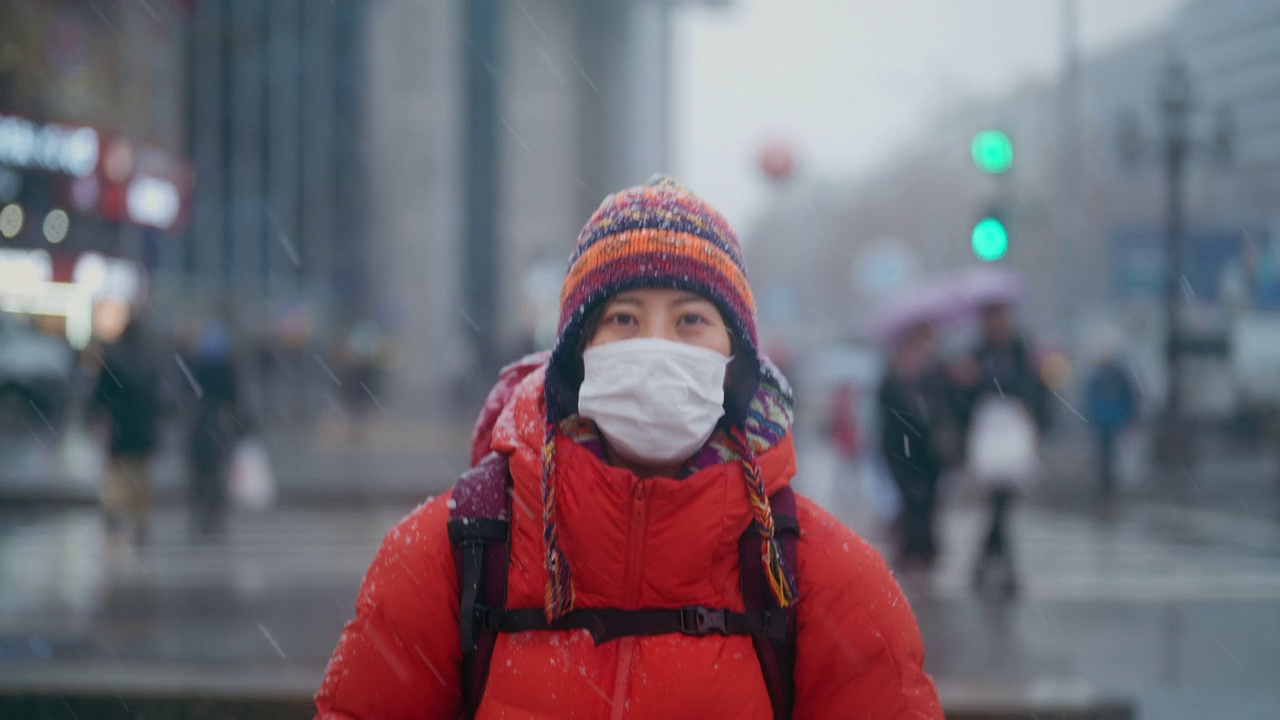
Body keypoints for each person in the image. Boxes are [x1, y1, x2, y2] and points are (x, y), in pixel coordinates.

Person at [316, 178, 941, 719]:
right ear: (576, 359)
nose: (656, 345)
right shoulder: (454, 554)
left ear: (735, 366)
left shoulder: (824, 576)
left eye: (691, 320)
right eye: (623, 319)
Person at [956, 302, 1049, 599]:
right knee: (997, 501)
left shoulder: (1021, 350)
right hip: (988, 432)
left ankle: (987, 563)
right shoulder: (978, 353)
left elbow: (1037, 389)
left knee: (1002, 500)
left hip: (1014, 430)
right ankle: (997, 565)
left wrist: (1034, 417)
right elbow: (964, 398)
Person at [876, 322, 955, 574]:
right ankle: (912, 551)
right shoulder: (892, 378)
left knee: (927, 501)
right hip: (900, 451)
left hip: (928, 453)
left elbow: (945, 408)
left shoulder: (936, 376)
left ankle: (923, 551)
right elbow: (888, 412)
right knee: (911, 500)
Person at [91, 319, 163, 543]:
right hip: (143, 426)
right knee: (141, 473)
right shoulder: (150, 359)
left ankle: (113, 509)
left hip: (120, 423)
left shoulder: (113, 357)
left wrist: (98, 414)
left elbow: (101, 392)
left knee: (116, 470)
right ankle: (141, 518)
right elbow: (158, 396)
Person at [186, 320, 239, 537]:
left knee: (200, 475)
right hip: (218, 426)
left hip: (200, 425)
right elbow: (234, 398)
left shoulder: (197, 367)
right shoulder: (227, 368)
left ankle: (201, 516)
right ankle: (214, 516)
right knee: (216, 474)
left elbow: (187, 395)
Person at [1085, 345, 1138, 504]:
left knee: (1108, 456)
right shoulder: (1113, 377)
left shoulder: (1111, 377)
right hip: (1109, 422)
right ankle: (1107, 486)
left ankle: (1107, 486)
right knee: (1107, 456)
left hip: (1109, 422)